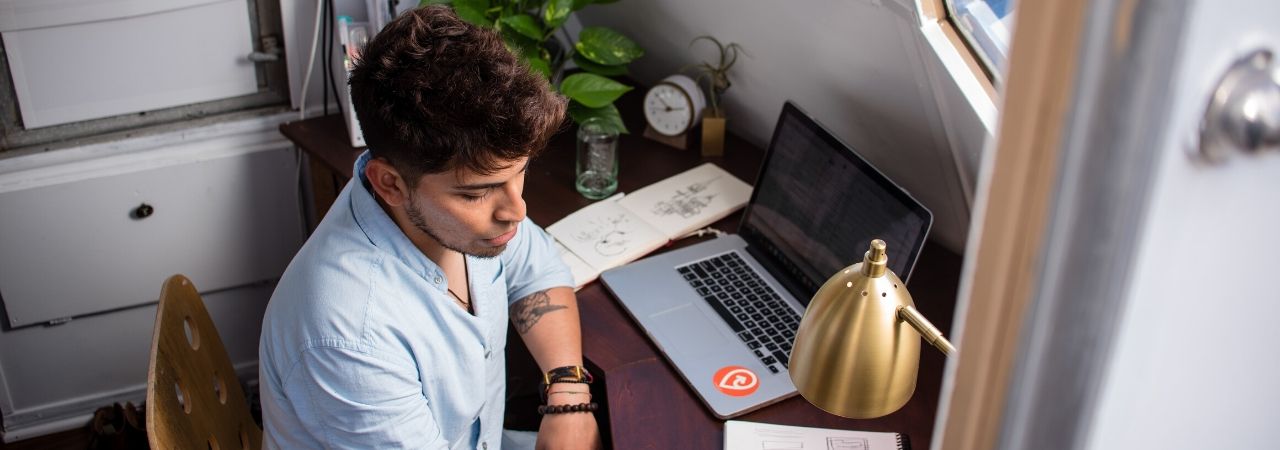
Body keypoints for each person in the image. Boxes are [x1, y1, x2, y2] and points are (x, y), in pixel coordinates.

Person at [258, 5, 600, 449]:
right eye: (477, 193)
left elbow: (538, 270)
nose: (517, 210)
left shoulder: (459, 210)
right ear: (390, 183)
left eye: (521, 172)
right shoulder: (350, 336)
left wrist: (569, 393)